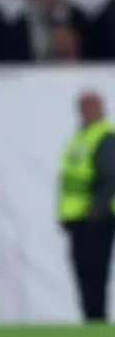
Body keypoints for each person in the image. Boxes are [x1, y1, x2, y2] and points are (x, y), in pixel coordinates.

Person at [57, 91, 115, 321]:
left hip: (96, 218)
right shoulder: (81, 137)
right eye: (81, 108)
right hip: (78, 218)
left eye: (88, 107)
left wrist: (98, 207)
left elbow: (110, 177)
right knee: (83, 274)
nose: (84, 112)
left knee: (95, 274)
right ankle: (90, 320)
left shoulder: (104, 137)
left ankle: (96, 320)